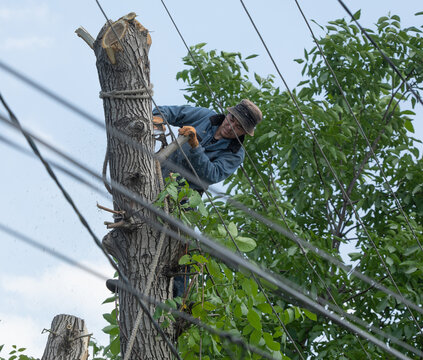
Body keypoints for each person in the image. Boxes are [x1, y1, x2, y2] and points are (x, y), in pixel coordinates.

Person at [153, 99, 262, 193]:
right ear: (227, 114)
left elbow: (212, 175)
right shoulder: (206, 117)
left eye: (238, 127)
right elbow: (168, 111)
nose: (230, 127)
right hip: (155, 173)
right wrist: (158, 120)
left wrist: (195, 147)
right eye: (231, 120)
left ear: (245, 133)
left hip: (180, 199)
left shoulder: (235, 154)